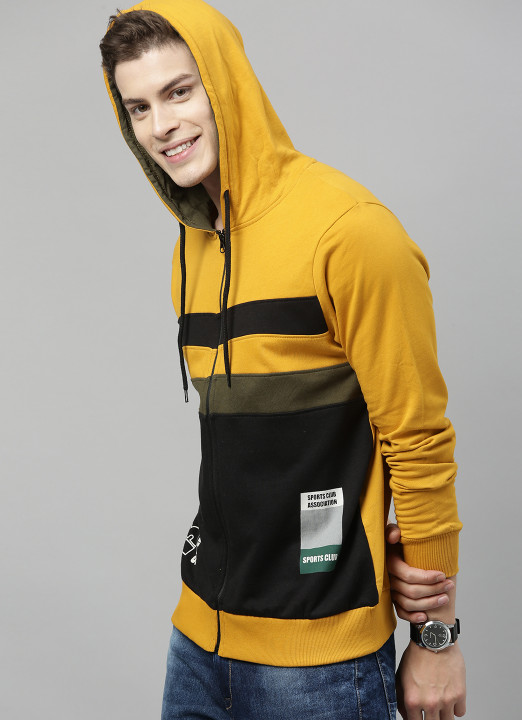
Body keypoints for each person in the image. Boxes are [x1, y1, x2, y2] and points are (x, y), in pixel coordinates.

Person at [99, 2, 465, 718]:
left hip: (320, 662)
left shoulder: (350, 232)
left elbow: (418, 439)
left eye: (179, 92)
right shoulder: (192, 249)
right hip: (198, 640)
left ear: (226, 84)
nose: (161, 125)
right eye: (138, 107)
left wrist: (436, 635)